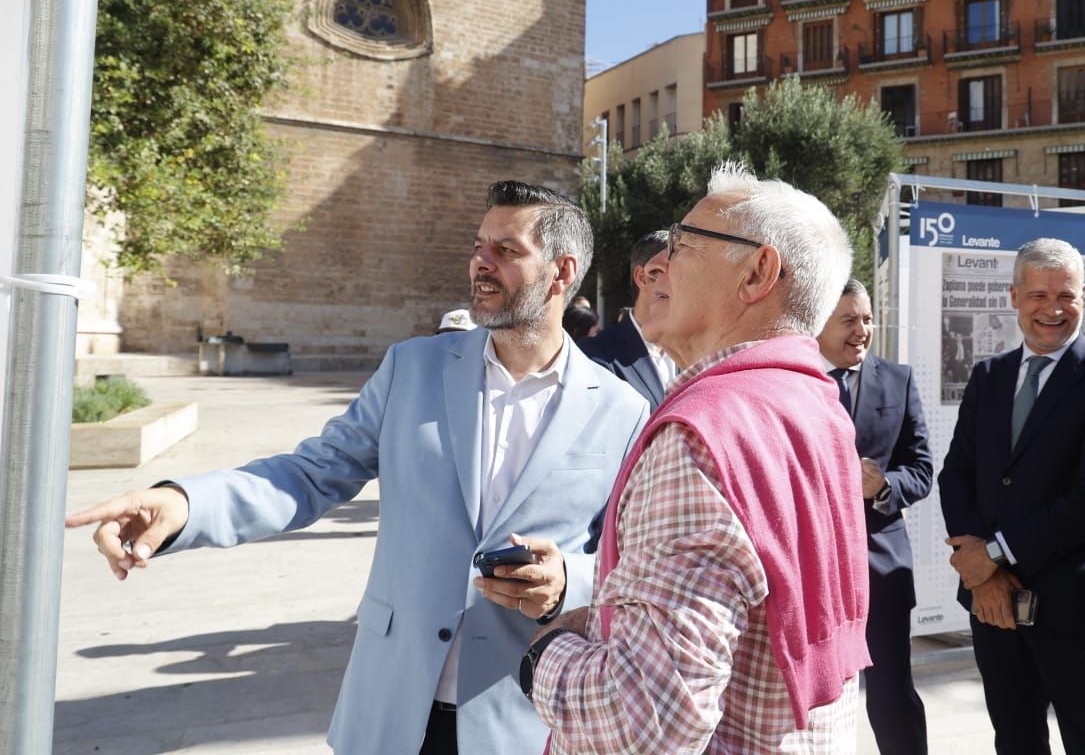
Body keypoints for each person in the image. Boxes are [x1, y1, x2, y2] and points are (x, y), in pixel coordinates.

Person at [66, 181, 651, 755]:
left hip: (524, 717)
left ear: (563, 271)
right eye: (478, 245)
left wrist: (568, 581)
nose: (480, 263)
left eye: (506, 250)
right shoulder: (412, 369)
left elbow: (639, 566)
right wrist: (184, 504)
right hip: (391, 708)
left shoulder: (623, 409)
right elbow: (310, 473)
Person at [524, 163, 871, 753]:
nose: (657, 265)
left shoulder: (703, 435)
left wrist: (543, 656)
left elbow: (644, 723)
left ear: (758, 272)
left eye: (682, 245)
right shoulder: (814, 399)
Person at [938, 238, 1085, 755]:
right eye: (1037, 295)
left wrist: (995, 555)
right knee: (1014, 735)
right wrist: (981, 570)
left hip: (1073, 606)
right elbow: (957, 472)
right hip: (990, 602)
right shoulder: (990, 375)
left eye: (1066, 296)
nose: (1052, 309)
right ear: (1013, 296)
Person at [816, 278, 933, 755]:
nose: (862, 330)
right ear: (818, 323)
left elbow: (922, 469)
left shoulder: (897, 379)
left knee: (890, 696)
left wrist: (884, 487)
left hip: (881, 567)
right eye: (849, 320)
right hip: (813, 573)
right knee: (816, 700)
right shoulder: (793, 380)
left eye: (867, 318)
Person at [578, 230, 674, 408]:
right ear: (642, 277)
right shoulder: (594, 355)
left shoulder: (694, 354)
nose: (685, 281)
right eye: (674, 271)